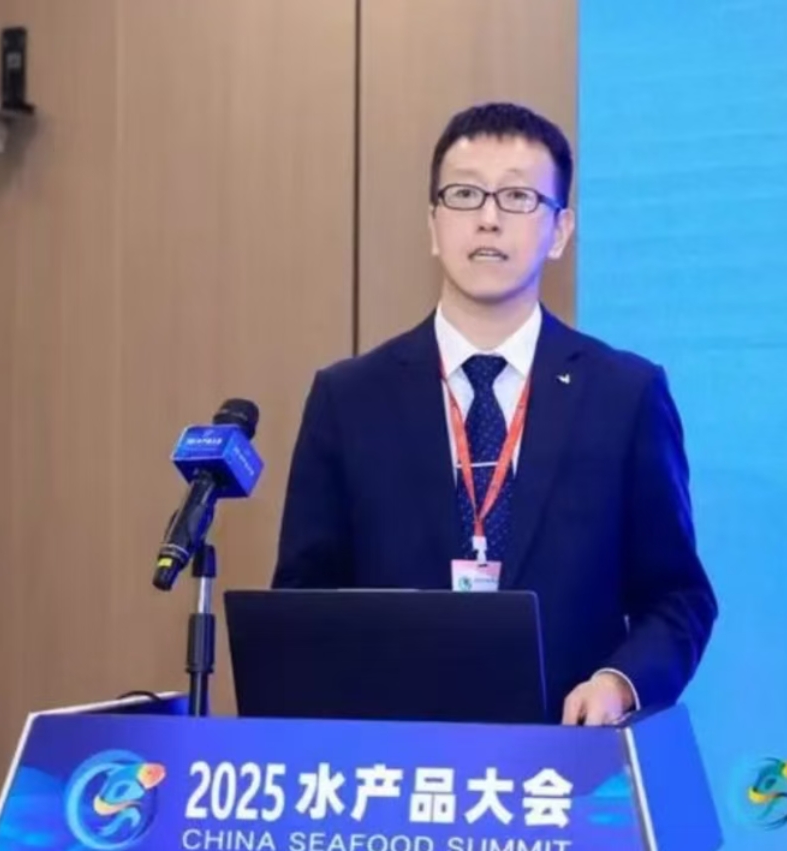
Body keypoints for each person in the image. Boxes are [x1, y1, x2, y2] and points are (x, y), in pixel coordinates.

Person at [272, 101, 717, 725]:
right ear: (433, 225)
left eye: (517, 197)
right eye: (464, 195)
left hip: (565, 759)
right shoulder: (349, 399)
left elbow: (678, 597)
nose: (488, 218)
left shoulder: (625, 394)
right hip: (396, 758)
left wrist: (618, 684)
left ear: (559, 231)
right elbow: (301, 604)